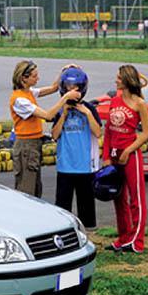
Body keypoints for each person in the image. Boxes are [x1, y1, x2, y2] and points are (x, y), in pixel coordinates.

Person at [10, 61, 81, 197]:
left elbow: (54, 87)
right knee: (27, 190)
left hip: (34, 144)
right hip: (26, 146)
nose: (38, 78)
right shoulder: (20, 100)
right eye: (34, 76)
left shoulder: (29, 92)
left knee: (36, 188)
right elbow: (48, 116)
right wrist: (66, 98)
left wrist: (64, 71)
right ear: (24, 78)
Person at [102, 65, 148, 253]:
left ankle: (137, 241)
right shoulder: (114, 100)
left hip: (130, 155)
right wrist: (106, 155)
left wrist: (128, 151)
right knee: (118, 197)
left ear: (127, 80)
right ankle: (123, 237)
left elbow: (146, 133)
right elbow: (108, 131)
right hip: (113, 155)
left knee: (136, 198)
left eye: (119, 78)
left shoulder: (140, 104)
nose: (116, 81)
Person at [51, 67, 102, 229]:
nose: (72, 91)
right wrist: (64, 114)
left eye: (75, 88)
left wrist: (86, 113)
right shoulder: (60, 109)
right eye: (68, 87)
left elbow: (98, 132)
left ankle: (88, 233)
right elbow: (54, 135)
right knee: (62, 207)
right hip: (65, 165)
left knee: (86, 207)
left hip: (85, 166)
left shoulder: (89, 108)